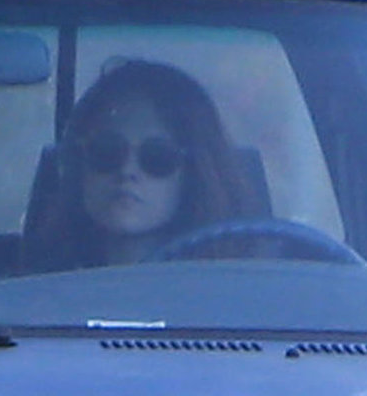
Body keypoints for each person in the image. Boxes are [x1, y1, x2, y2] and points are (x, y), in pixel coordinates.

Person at [22, 59, 266, 269]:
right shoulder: (30, 292)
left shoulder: (235, 296)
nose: (127, 171)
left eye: (157, 157)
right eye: (107, 151)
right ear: (78, 166)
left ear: (194, 174)